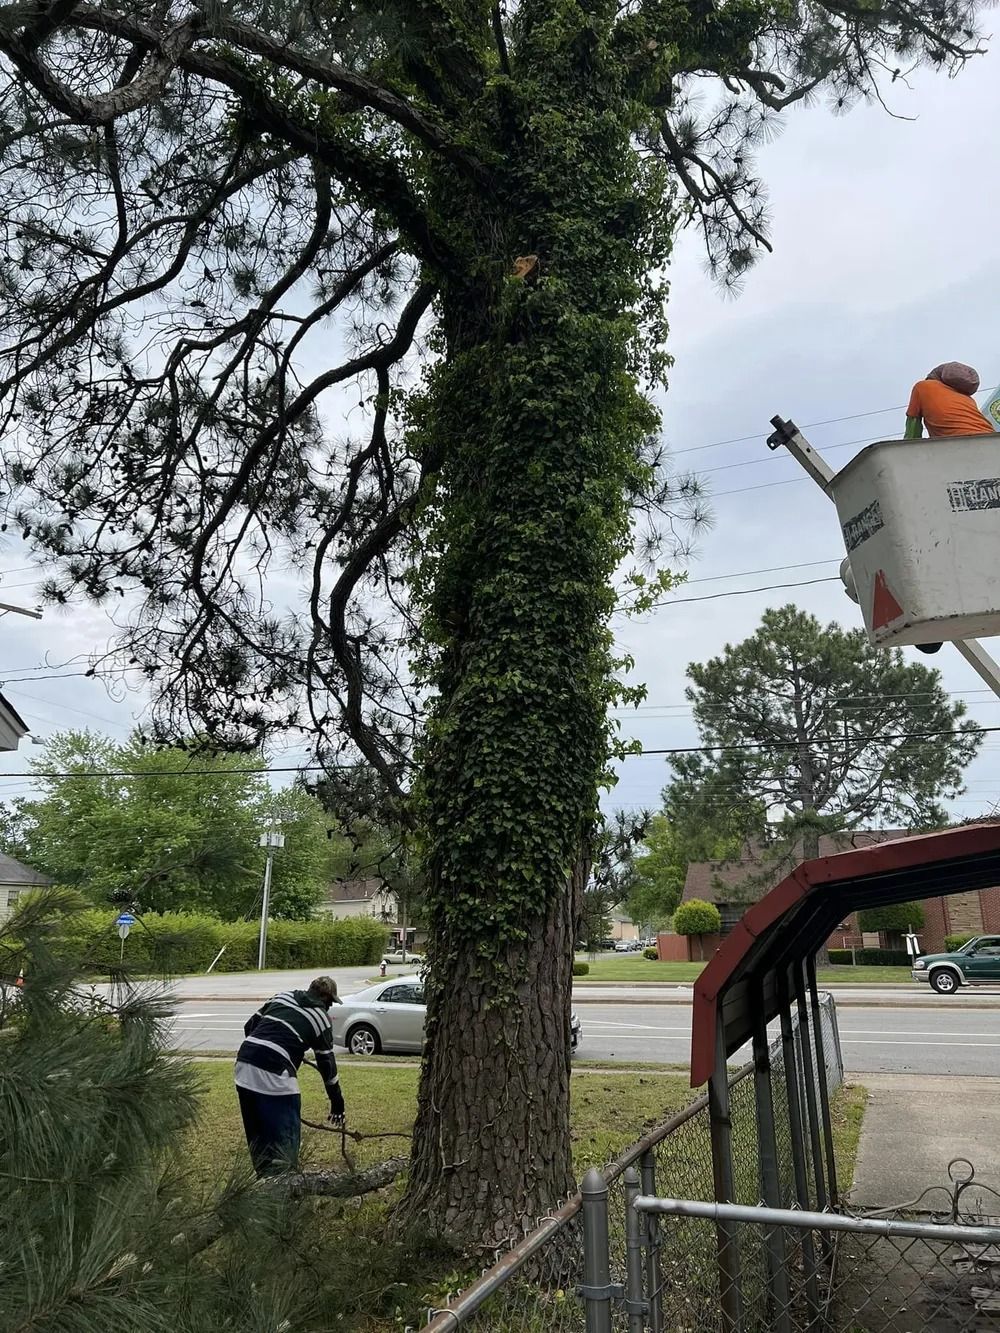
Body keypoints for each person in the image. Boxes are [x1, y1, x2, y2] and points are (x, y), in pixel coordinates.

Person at [234, 975, 346, 1176]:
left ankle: (262, 1185)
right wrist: (337, 1104)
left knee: (258, 1136)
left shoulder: (282, 997)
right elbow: (327, 1064)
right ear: (324, 997)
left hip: (244, 1065)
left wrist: (281, 1050)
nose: (329, 1007)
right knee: (286, 1139)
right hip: (274, 1075)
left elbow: (249, 1027)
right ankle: (285, 1186)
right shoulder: (321, 1018)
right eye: (330, 1002)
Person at [905, 362, 994, 440]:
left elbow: (913, 427)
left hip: (957, 442)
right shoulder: (968, 399)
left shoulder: (923, 386)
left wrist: (910, 450)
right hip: (991, 437)